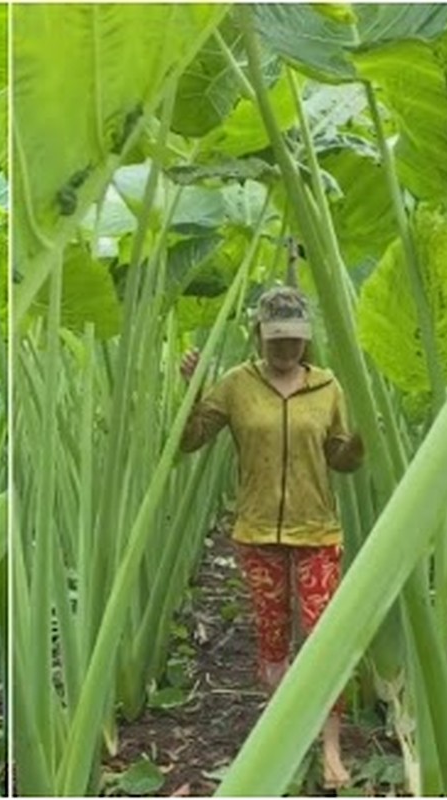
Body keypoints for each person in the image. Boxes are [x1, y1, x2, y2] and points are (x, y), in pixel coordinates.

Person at [178, 285, 364, 789]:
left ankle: (329, 748)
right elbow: (190, 440)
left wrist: (363, 437)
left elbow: (341, 459)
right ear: (258, 334)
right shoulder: (238, 385)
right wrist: (192, 391)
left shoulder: (328, 387)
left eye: (295, 340)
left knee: (324, 639)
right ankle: (285, 735)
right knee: (273, 643)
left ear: (307, 338)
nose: (286, 349)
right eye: (276, 339)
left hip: (317, 530)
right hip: (257, 530)